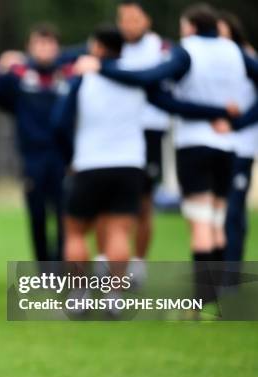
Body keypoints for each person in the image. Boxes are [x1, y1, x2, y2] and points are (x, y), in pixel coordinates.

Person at [74, 4, 258, 316]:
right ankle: (220, 301)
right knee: (217, 225)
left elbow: (151, 77)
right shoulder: (236, 52)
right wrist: (234, 120)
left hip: (194, 145)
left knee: (200, 225)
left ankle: (201, 305)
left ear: (191, 27)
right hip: (228, 146)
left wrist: (101, 67)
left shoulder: (187, 50)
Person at [0, 23, 77, 261]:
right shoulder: (19, 76)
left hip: (63, 156)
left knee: (64, 214)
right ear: (30, 47)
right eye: (39, 43)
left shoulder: (69, 74)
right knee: (37, 214)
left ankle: (61, 265)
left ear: (58, 47)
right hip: (32, 156)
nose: (44, 49)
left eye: (50, 43)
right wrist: (3, 68)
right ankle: (43, 267)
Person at [116, 0, 172, 270]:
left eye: (134, 19)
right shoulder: (114, 48)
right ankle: (112, 261)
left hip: (150, 132)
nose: (128, 25)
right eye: (124, 20)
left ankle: (138, 263)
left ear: (146, 21)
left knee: (144, 203)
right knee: (114, 205)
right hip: (118, 133)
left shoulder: (162, 49)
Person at [217, 11, 258, 262]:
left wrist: (237, 124)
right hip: (217, 147)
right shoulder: (215, 63)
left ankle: (231, 272)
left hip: (242, 147)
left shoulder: (249, 60)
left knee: (233, 211)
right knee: (219, 212)